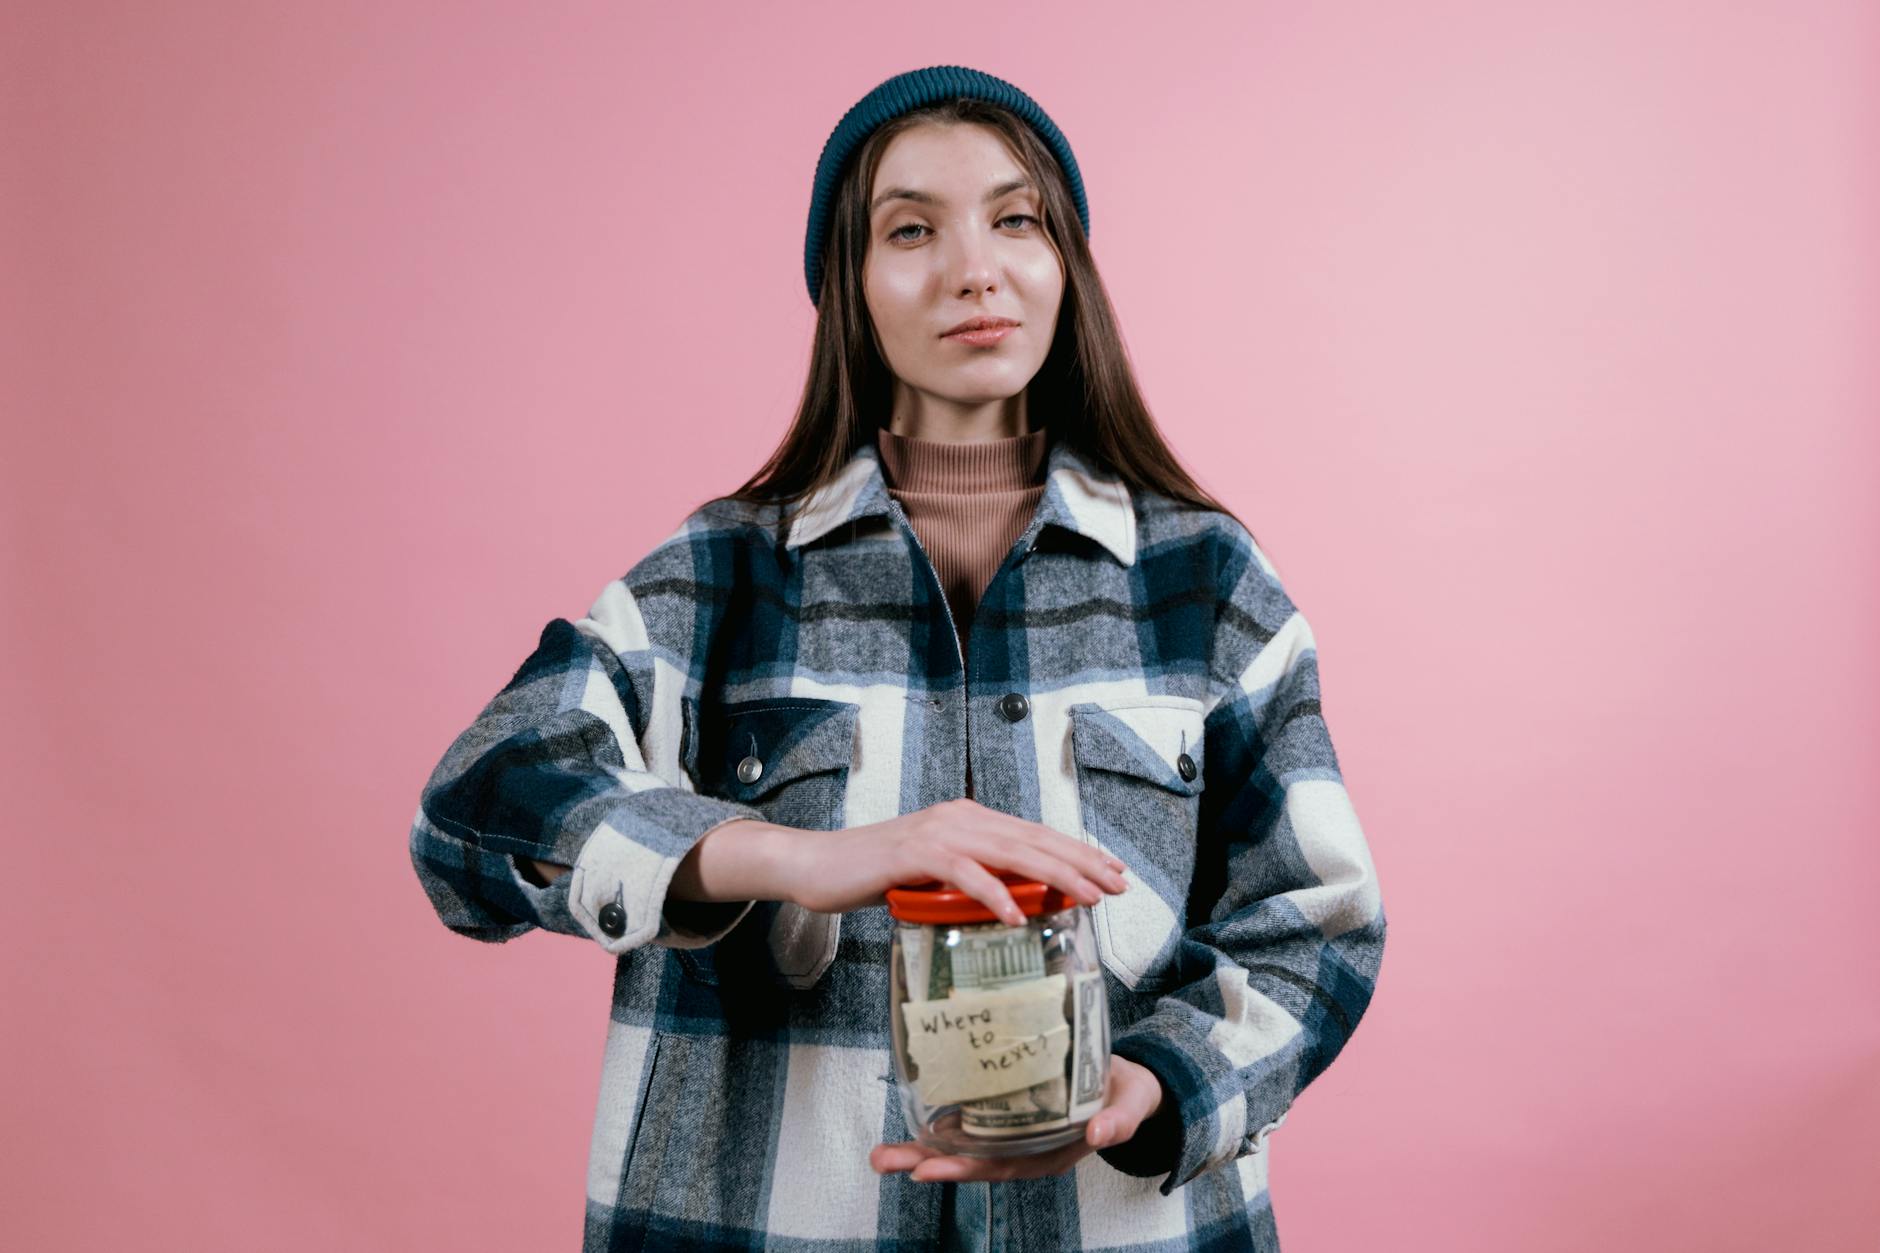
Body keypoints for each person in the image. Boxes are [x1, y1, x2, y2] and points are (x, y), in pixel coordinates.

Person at [408, 64, 1387, 1253]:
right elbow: (472, 813)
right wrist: (794, 856)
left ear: (1065, 261)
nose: (973, 267)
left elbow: (1316, 915)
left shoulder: (1205, 583)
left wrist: (1165, 1083)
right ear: (849, 285)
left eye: (1015, 219)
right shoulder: (721, 573)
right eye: (910, 229)